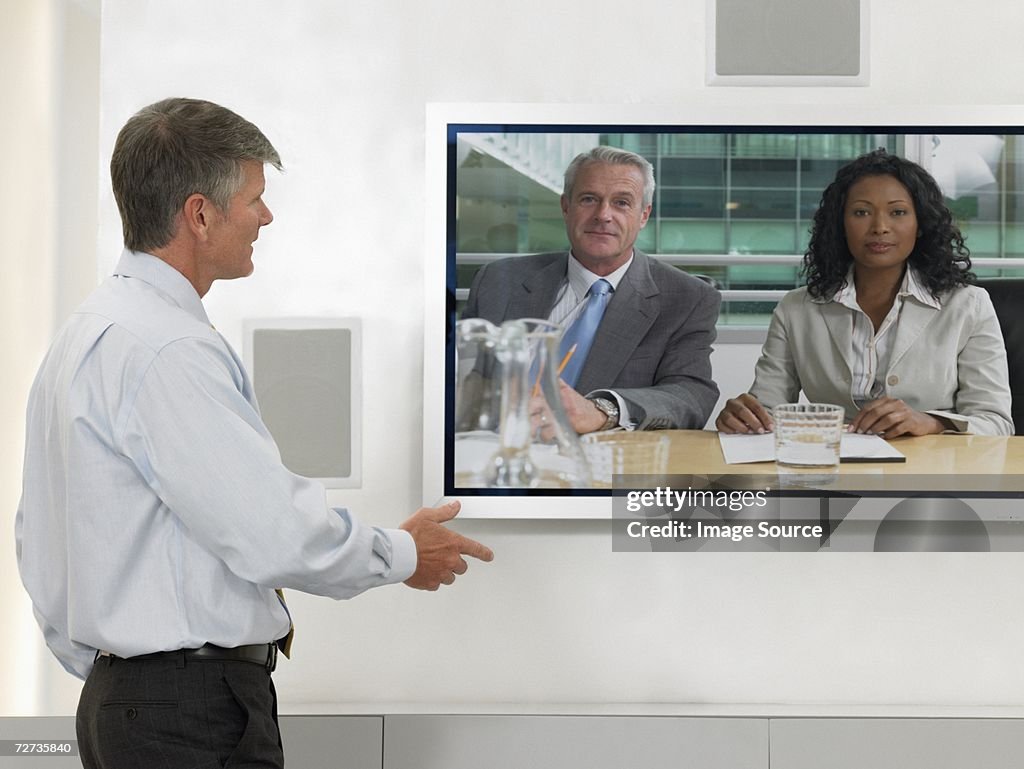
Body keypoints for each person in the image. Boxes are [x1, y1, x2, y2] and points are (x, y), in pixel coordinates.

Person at [15, 97, 493, 769]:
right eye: (254, 199)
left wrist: (113, 667)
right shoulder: (167, 349)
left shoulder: (86, 333)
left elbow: (36, 538)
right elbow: (271, 531)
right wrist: (402, 553)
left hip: (128, 704)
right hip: (189, 713)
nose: (265, 217)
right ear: (200, 214)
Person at [716, 148, 1013, 438]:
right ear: (841, 224)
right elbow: (768, 410)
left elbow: (995, 423)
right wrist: (745, 418)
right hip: (830, 468)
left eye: (898, 212)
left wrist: (930, 423)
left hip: (930, 476)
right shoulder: (797, 308)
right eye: (861, 212)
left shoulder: (968, 305)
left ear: (920, 224)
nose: (880, 227)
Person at [462, 146, 721, 433]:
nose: (603, 215)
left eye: (622, 202)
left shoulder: (688, 298)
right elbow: (459, 377)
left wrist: (602, 411)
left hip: (598, 464)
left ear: (644, 215)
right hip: (493, 453)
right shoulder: (498, 280)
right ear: (565, 207)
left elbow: (691, 395)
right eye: (589, 199)